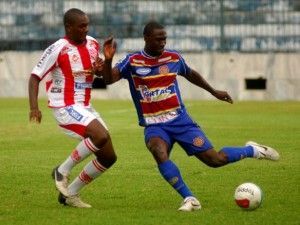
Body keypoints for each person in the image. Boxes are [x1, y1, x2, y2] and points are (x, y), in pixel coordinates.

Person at [101, 21, 280, 212]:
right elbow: (108, 79)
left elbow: (191, 74)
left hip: (180, 121)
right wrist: (108, 59)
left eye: (164, 39)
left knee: (215, 160)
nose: (163, 43)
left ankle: (252, 150)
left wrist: (213, 91)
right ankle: (190, 198)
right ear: (146, 38)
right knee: (158, 152)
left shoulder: (173, 58)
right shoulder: (133, 61)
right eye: (158, 39)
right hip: (154, 125)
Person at [28, 8, 117, 208]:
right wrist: (34, 107)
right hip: (65, 105)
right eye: (82, 26)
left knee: (109, 157)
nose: (86, 29)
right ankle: (62, 170)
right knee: (100, 136)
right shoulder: (58, 48)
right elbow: (34, 77)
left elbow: (104, 76)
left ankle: (70, 194)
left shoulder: (93, 44)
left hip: (85, 106)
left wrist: (107, 60)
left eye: (87, 25)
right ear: (69, 27)